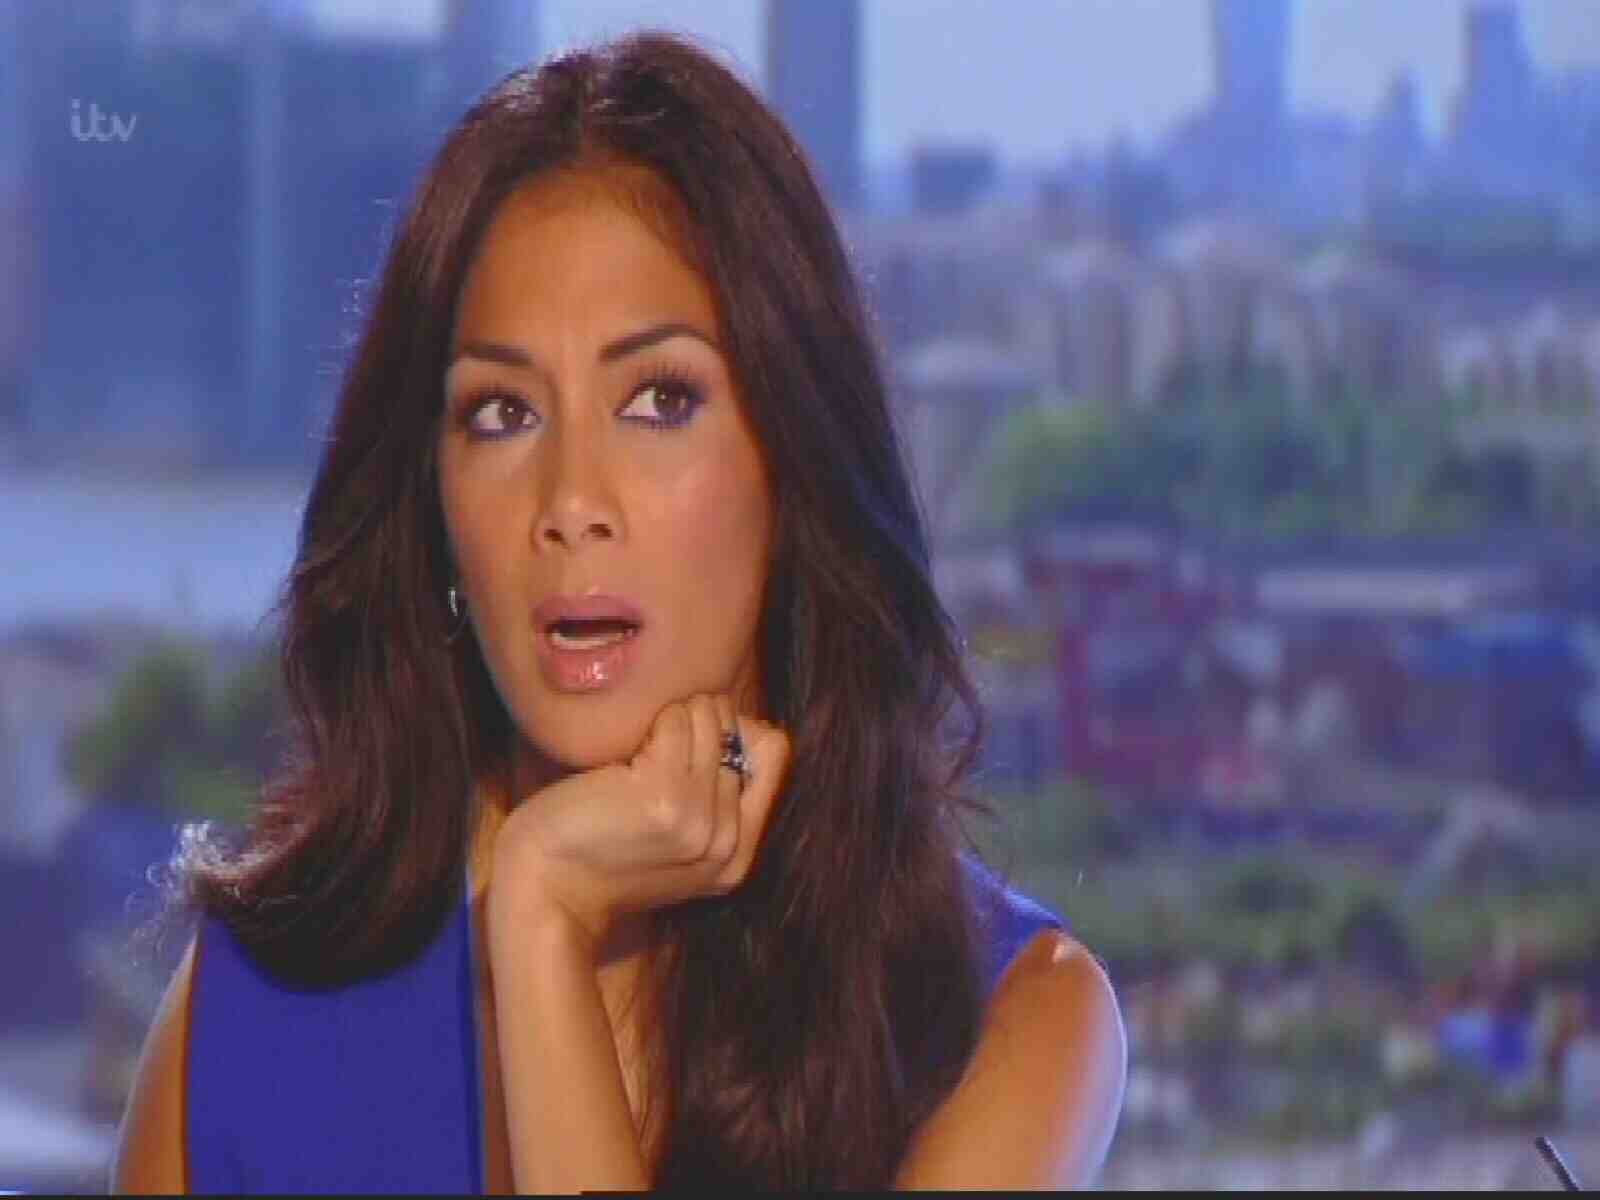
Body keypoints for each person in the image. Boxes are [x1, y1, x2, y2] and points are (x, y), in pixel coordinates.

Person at [111, 31, 1124, 1192]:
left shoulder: (1017, 1025)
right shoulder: (243, 1024)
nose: (570, 504)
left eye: (658, 399)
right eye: (500, 415)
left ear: (790, 460)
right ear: (436, 508)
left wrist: (542, 921)